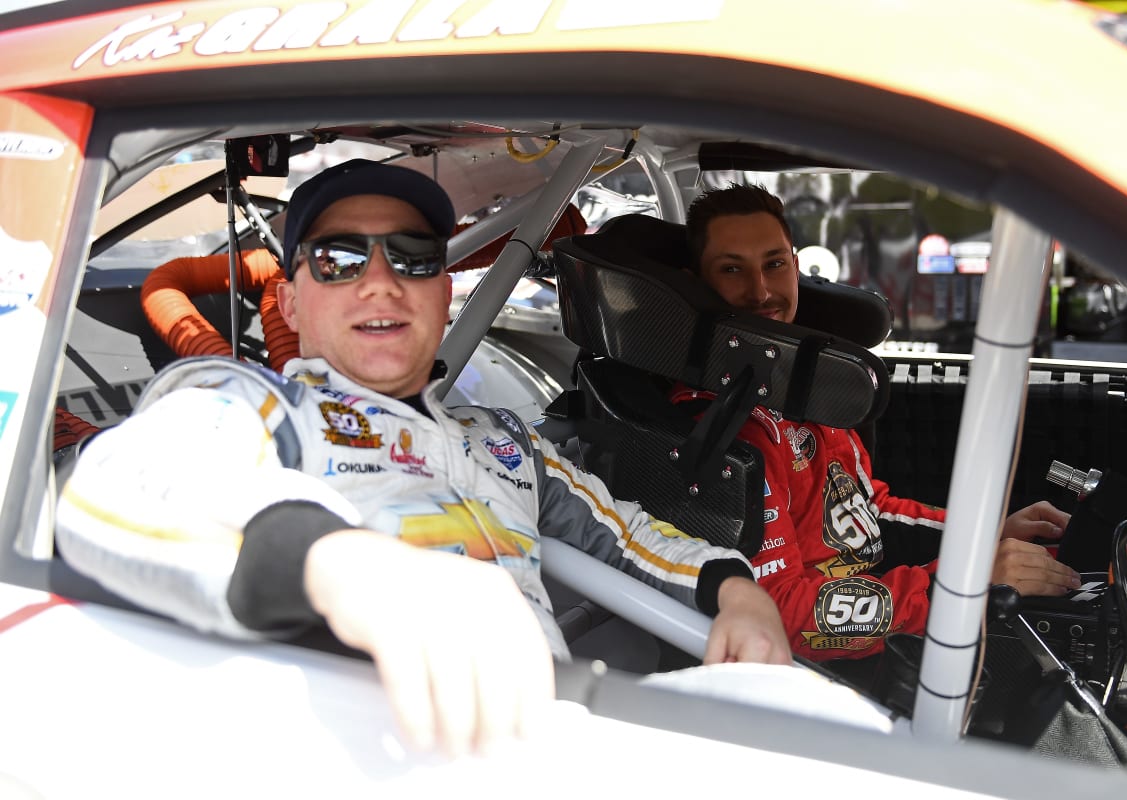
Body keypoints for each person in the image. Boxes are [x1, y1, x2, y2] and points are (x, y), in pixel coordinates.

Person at [55, 161, 791, 759]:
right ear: (287, 302)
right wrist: (346, 567)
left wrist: (734, 586)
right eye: (339, 259)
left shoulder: (503, 439)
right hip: (379, 754)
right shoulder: (258, 406)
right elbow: (122, 487)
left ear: (444, 294)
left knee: (817, 718)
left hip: (558, 741)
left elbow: (625, 533)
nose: (380, 281)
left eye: (412, 258)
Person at [675, 183, 1080, 662]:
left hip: (886, 629)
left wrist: (985, 536)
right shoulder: (720, 426)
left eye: (774, 263)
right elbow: (778, 612)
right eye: (731, 269)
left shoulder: (798, 386)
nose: (761, 290)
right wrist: (959, 589)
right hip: (827, 676)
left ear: (797, 267)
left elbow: (867, 509)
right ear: (698, 283)